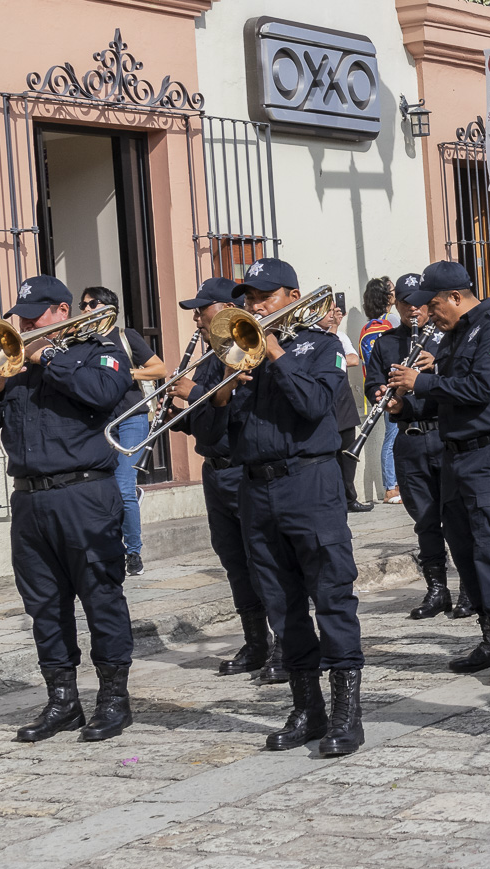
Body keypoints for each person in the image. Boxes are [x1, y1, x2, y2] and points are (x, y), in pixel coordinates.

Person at [192, 258, 367, 757]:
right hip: (255, 488)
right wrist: (221, 395)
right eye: (248, 298)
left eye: (264, 297)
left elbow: (315, 406)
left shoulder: (322, 346)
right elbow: (208, 439)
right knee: (281, 603)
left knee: (331, 596)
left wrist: (272, 352)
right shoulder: (234, 357)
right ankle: (306, 707)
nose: (254, 306)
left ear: (292, 297)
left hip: (309, 482)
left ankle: (345, 713)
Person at [0, 275, 135, 743]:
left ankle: (113, 699)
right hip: (29, 499)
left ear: (63, 311)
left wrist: (47, 356)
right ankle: (62, 701)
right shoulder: (14, 363)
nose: (25, 323)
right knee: (43, 604)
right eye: (22, 315)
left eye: (36, 314)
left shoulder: (101, 350)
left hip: (84, 495)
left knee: (100, 595)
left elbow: (105, 394)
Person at [386, 262, 490, 684]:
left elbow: (481, 389)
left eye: (432, 305)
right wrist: (404, 404)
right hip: (456, 456)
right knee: (464, 550)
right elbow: (446, 400)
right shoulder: (452, 336)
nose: (427, 313)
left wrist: (421, 383)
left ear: (455, 297)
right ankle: (486, 637)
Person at [167, 277, 284, 684]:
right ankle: (256, 642)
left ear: (224, 307)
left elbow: (236, 409)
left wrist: (196, 390)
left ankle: (285, 644)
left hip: (241, 469)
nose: (196, 318)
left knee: (263, 561)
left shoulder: (240, 350)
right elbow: (209, 426)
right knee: (234, 561)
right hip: (215, 471)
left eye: (202, 309)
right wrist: (179, 417)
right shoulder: (211, 355)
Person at [366, 273, 465, 619]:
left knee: (457, 516)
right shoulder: (386, 343)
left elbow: (462, 384)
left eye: (418, 303)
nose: (412, 309)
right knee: (425, 520)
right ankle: (437, 589)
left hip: (444, 435)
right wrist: (382, 395)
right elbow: (373, 383)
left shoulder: (449, 338)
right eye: (404, 302)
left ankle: (468, 586)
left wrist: (432, 371)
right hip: (409, 440)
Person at [81, 286, 165, 577]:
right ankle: (106, 548)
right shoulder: (83, 342)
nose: (85, 309)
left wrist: (127, 373)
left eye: (90, 304)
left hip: (131, 417)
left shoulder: (125, 337)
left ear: (107, 308)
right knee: (102, 487)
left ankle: (133, 552)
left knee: (123, 487)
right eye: (83, 305)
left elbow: (159, 369)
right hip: (99, 421)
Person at [325, 297, 371, 514]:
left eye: (336, 310)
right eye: (331, 311)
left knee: (348, 455)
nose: (336, 315)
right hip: (325, 401)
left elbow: (354, 360)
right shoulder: (316, 337)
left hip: (343, 402)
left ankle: (350, 498)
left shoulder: (340, 337)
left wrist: (335, 354)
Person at [359, 276, 399, 504]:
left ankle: (392, 485)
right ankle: (391, 487)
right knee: (393, 437)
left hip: (378, 389)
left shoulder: (366, 327)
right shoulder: (392, 321)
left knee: (390, 436)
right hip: (396, 387)